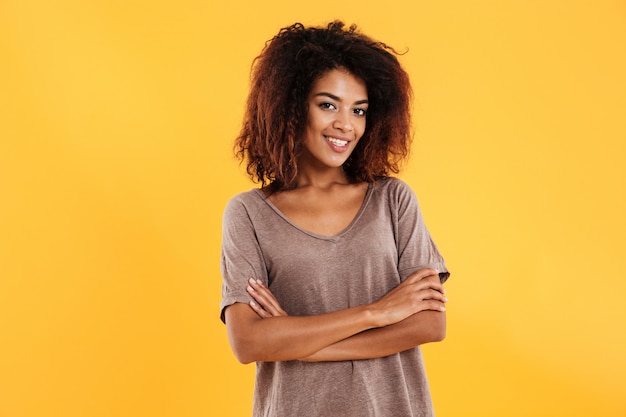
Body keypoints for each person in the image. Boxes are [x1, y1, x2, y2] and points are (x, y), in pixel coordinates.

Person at [220, 21, 450, 417]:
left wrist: (304, 346)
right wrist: (376, 312)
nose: (346, 124)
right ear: (291, 107)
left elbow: (429, 324)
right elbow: (249, 342)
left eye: (358, 110)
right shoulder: (248, 214)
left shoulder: (392, 200)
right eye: (328, 104)